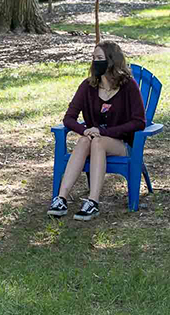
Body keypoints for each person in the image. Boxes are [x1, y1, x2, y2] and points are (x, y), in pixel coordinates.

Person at [50, 40, 146, 221]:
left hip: (121, 143)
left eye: (100, 58)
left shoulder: (129, 86)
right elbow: (68, 118)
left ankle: (93, 202)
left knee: (98, 141)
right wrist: (84, 130)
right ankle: (61, 198)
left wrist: (105, 132)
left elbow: (139, 122)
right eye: (93, 58)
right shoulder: (88, 86)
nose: (95, 62)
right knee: (86, 140)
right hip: (93, 139)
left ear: (112, 61)